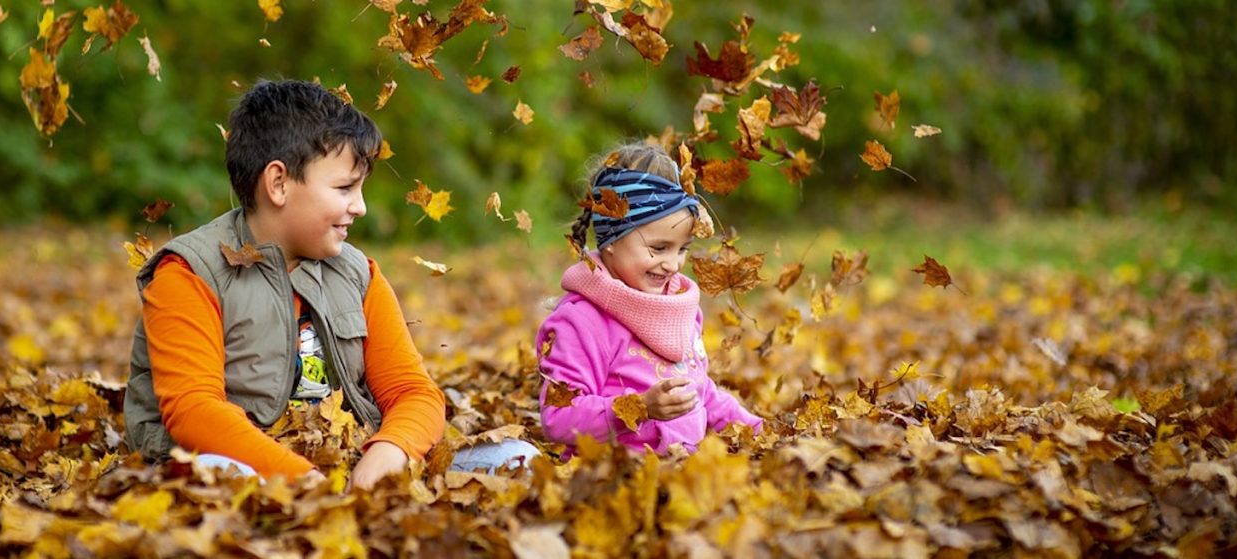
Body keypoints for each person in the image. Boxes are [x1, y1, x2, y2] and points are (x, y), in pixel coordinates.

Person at [125, 79, 527, 489]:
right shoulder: (190, 273)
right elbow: (194, 411)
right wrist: (302, 479)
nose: (361, 206)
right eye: (345, 188)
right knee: (220, 474)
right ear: (278, 184)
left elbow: (413, 391)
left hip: (352, 461)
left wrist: (390, 451)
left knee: (518, 457)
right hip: (250, 468)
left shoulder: (357, 273)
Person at [536, 142, 764, 458]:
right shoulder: (582, 321)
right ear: (611, 239)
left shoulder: (679, 306)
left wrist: (757, 431)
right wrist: (638, 409)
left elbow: (699, 391)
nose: (672, 264)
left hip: (683, 473)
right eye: (658, 248)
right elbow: (558, 418)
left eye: (681, 249)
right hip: (615, 477)